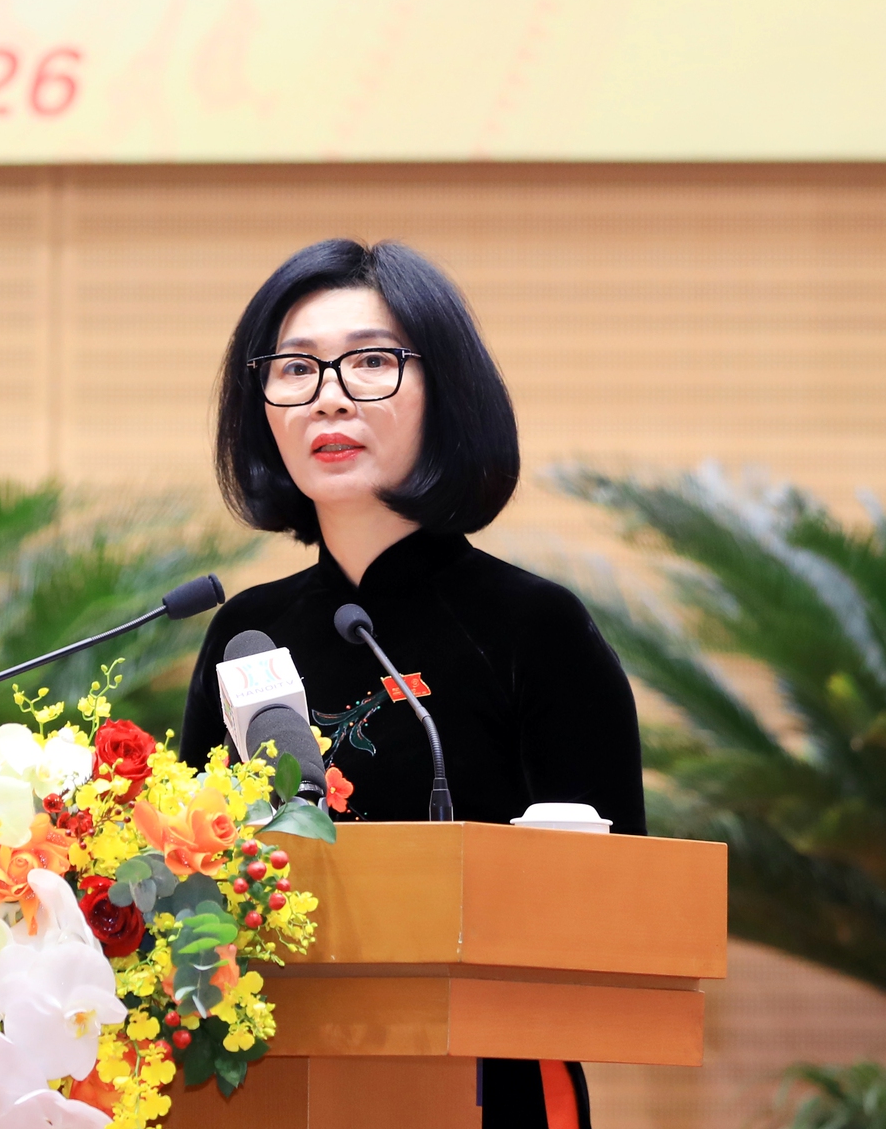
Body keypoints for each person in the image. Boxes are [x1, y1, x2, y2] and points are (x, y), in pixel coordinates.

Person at [179, 238, 644, 1129]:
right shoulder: (247, 632)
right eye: (296, 369)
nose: (329, 397)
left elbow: (613, 908)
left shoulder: (535, 628)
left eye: (370, 363)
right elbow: (193, 884)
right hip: (274, 1082)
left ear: (446, 394)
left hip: (492, 1086)